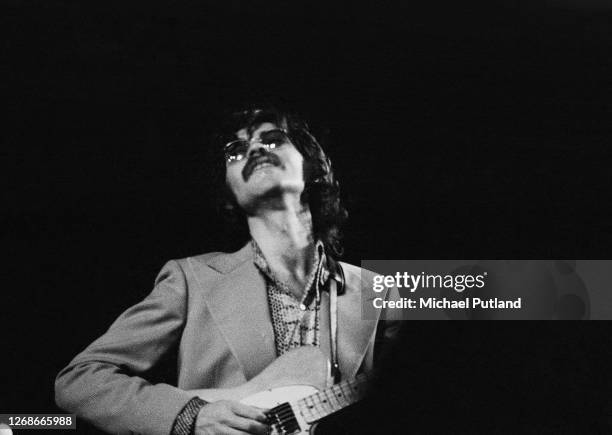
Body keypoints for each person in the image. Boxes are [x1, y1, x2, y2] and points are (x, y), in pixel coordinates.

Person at [55, 105, 400, 435]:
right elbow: (79, 380)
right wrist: (192, 416)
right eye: (235, 151)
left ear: (311, 166)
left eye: (273, 139)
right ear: (229, 190)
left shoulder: (382, 289)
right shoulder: (190, 278)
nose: (254, 151)